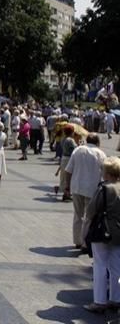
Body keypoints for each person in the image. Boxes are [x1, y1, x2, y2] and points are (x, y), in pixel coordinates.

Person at [82, 157, 120, 313]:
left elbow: (91, 210)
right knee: (116, 266)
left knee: (100, 265)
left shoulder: (104, 188)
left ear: (108, 173)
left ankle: (99, 301)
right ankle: (116, 299)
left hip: (102, 231)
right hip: (118, 231)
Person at [66, 134, 106, 251]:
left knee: (78, 215)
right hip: (92, 189)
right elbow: (104, 173)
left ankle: (77, 241)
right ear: (97, 142)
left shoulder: (77, 150)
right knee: (89, 217)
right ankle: (85, 242)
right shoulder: (100, 154)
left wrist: (67, 187)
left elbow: (68, 170)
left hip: (77, 187)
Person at [55, 126, 77, 201]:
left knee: (64, 177)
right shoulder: (70, 140)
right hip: (69, 158)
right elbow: (75, 149)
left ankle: (65, 192)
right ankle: (67, 193)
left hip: (64, 158)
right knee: (70, 176)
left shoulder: (63, 139)